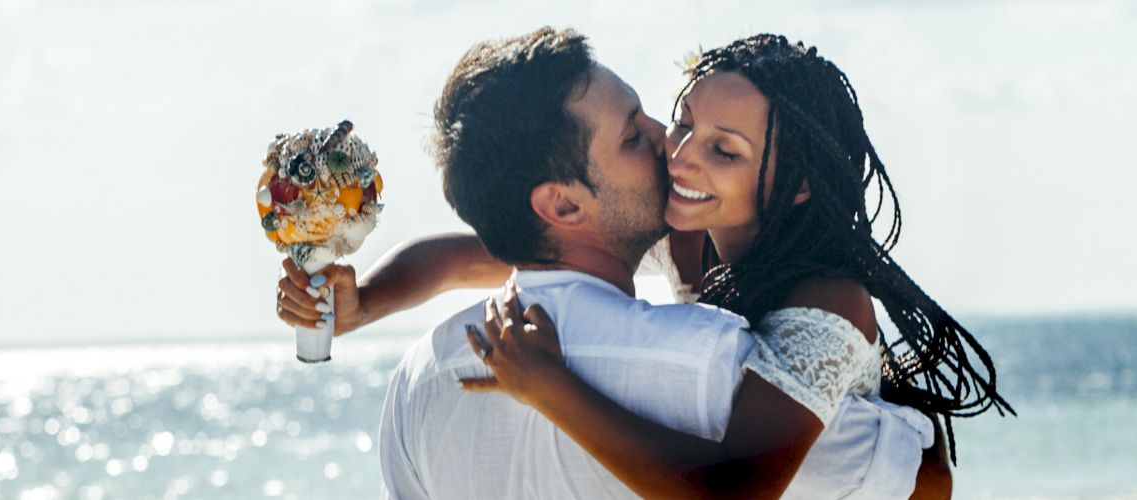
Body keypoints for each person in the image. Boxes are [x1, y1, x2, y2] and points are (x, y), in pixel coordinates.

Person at [280, 31, 987, 499]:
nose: (675, 153)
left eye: (725, 150)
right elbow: (461, 260)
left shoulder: (826, 299)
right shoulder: (686, 241)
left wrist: (554, 389)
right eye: (678, 124)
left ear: (795, 183)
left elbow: (742, 488)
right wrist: (364, 302)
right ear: (560, 207)